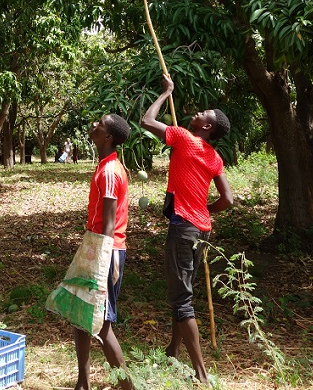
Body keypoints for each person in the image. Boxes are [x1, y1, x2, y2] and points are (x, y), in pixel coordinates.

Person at [140, 74, 233, 385]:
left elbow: (146, 120)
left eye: (202, 114)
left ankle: (201, 373)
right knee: (183, 293)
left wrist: (166, 92)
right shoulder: (214, 157)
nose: (197, 113)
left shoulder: (182, 137)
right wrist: (205, 211)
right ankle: (173, 349)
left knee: (182, 299)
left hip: (183, 229)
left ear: (206, 126)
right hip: (202, 230)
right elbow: (227, 199)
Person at [73, 114, 134, 390]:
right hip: (96, 246)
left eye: (100, 123)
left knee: (102, 323)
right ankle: (83, 383)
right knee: (80, 316)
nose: (94, 125)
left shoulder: (110, 171)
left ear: (108, 137)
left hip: (105, 250)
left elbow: (110, 223)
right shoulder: (107, 165)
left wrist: (105, 259)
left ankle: (127, 386)